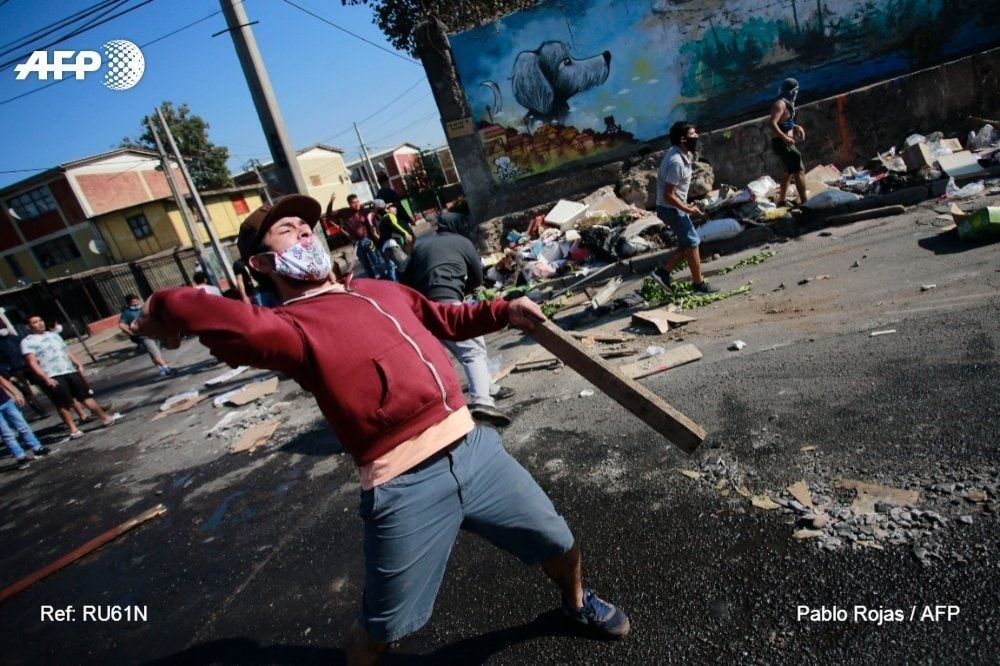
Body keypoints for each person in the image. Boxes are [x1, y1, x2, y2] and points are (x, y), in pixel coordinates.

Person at [131, 195, 629, 664]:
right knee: (382, 627)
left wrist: (504, 310)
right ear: (261, 263)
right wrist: (158, 315)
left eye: (309, 228)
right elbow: (207, 311)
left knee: (560, 543)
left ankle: (576, 601)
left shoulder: (379, 289)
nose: (306, 236)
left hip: (476, 449)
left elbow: (445, 318)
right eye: (288, 232)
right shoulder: (287, 329)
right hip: (403, 485)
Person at [402, 212, 514, 427]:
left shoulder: (421, 246)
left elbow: (405, 281)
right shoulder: (462, 242)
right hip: (447, 303)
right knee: (472, 351)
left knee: (462, 350)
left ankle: (489, 388)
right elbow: (477, 277)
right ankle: (483, 402)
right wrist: (464, 289)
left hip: (421, 311)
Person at [21, 314, 120, 438]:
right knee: (64, 404)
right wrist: (46, 378)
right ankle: (73, 429)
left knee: (85, 396)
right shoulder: (28, 342)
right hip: (53, 375)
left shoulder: (54, 335)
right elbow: (32, 362)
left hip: (69, 370)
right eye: (35, 322)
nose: (40, 323)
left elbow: (66, 351)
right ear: (29, 326)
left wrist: (77, 363)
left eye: (40, 320)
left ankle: (104, 418)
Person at [650, 121, 719, 294]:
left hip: (675, 207)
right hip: (670, 209)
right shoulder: (676, 162)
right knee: (693, 242)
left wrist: (686, 204)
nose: (696, 136)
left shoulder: (681, 154)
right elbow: (668, 195)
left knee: (686, 243)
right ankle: (698, 284)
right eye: (692, 134)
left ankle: (662, 273)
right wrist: (688, 209)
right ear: (682, 139)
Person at [769, 77, 808, 207]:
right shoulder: (780, 104)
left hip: (785, 143)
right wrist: (785, 138)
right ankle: (805, 202)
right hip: (782, 144)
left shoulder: (787, 104)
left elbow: (785, 121)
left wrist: (796, 127)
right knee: (799, 168)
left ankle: (781, 200)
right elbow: (772, 123)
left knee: (788, 171)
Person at [0, 375, 51, 470]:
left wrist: (15, 394)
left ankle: (37, 448)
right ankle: (20, 456)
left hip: (5, 401)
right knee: (6, 434)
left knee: (23, 426)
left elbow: (2, 380)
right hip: (5, 403)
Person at [330, 193, 386, 278]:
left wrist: (377, 239)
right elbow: (329, 215)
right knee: (366, 265)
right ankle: (374, 283)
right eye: (354, 202)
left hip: (368, 241)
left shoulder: (364, 211)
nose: (357, 204)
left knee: (376, 262)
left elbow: (373, 225)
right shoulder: (344, 212)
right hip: (357, 243)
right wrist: (331, 202)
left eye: (358, 201)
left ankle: (385, 280)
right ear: (349, 204)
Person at [118, 294, 175, 377]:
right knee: (155, 353)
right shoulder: (127, 313)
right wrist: (132, 333)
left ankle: (161, 369)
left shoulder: (144, 307)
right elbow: (121, 325)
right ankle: (167, 368)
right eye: (133, 302)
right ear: (129, 303)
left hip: (154, 332)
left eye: (136, 301)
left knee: (155, 353)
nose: (135, 303)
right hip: (144, 336)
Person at [0, 327, 48, 418]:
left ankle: (58, 402)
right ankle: (41, 411)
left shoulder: (15, 338)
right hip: (14, 372)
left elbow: (27, 349)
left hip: (28, 366)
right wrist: (7, 375)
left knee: (43, 384)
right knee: (27, 392)